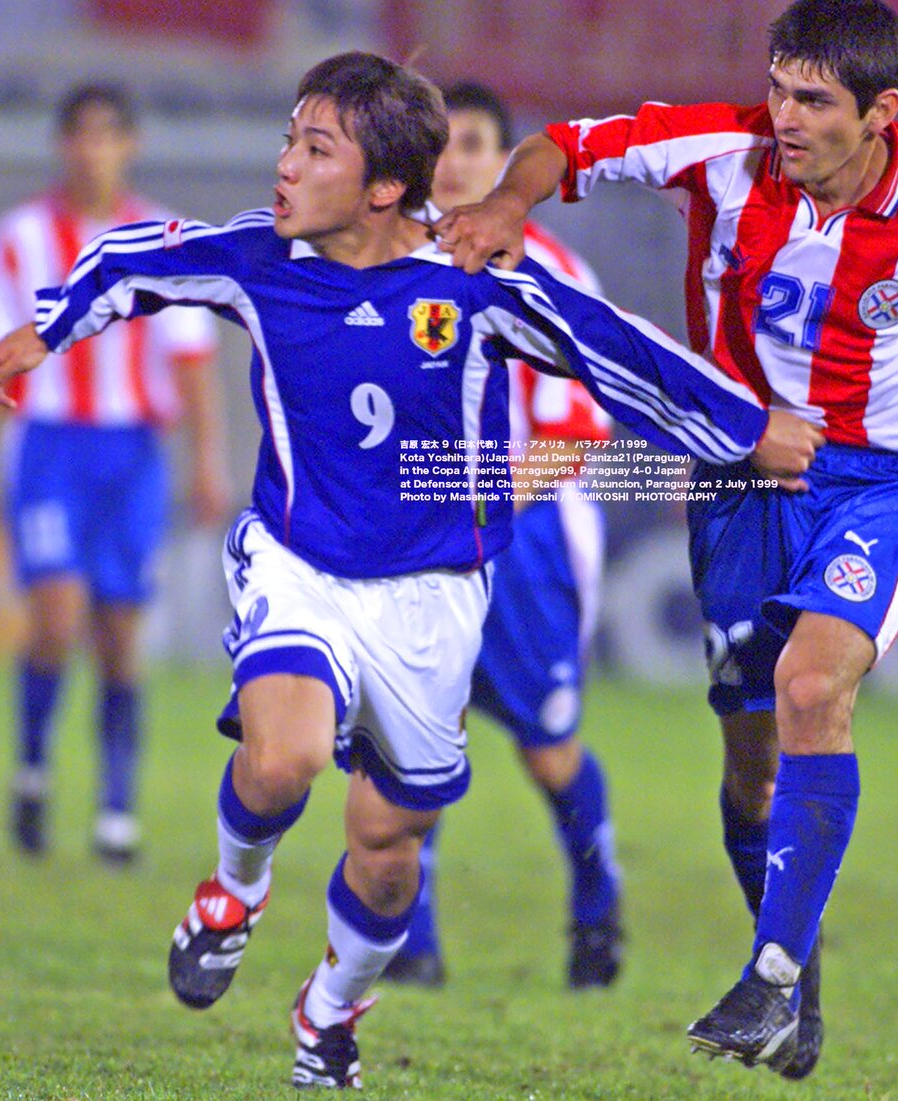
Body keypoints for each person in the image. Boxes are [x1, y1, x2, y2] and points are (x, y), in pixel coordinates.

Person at [0, 52, 823, 1090]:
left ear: (381, 187)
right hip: (299, 559)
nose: (281, 165)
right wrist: (40, 330)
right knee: (281, 760)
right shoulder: (260, 258)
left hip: (434, 597)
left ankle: (328, 1012)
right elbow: (136, 261)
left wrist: (745, 431)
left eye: (312, 149)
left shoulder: (469, 286)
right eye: (289, 138)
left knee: (386, 846)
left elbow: (616, 351)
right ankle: (235, 890)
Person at [434, 0, 898, 1079]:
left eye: (814, 101)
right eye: (781, 88)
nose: (785, 117)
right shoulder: (721, 147)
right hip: (742, 472)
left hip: (885, 480)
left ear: (881, 112)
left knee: (811, 690)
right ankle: (794, 975)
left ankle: (774, 976)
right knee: (751, 767)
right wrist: (513, 200)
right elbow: (562, 146)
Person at [0, 83, 228, 865]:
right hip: (49, 448)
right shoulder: (21, 237)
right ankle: (33, 770)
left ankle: (115, 808)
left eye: (108, 135)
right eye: (80, 135)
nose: (93, 150)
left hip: (132, 453)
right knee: (56, 618)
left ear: (128, 144)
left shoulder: (162, 239)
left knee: (120, 633)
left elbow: (194, 362)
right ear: (62, 144)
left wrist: (208, 462)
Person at [381, 80, 623, 991]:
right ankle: (415, 942)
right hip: (413, 537)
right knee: (414, 732)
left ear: (503, 160)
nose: (453, 162)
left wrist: (461, 495)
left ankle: (598, 903)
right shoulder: (389, 261)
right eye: (439, 143)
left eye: (474, 143)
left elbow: (567, 440)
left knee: (547, 746)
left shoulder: (551, 269)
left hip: (527, 543)